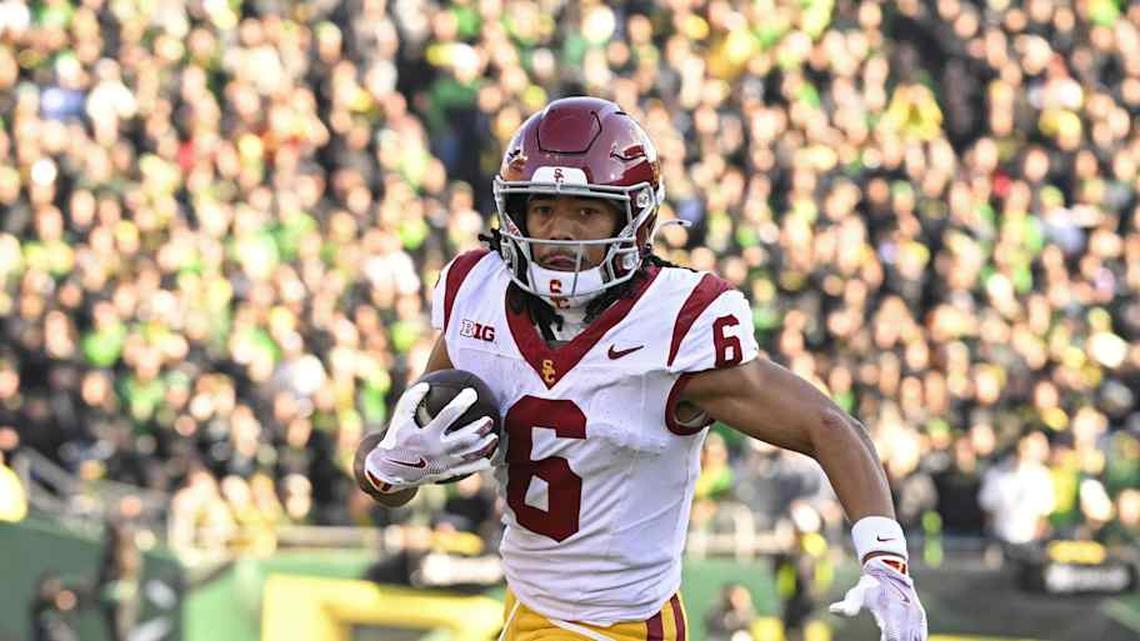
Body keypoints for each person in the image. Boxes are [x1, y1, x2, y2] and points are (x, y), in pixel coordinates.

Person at [356, 97, 927, 641]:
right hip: (529, 609)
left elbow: (828, 426)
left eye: (586, 210)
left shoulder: (674, 322)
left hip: (621, 625)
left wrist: (885, 558)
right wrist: (387, 468)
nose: (560, 231)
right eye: (544, 208)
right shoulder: (475, 294)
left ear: (635, 219)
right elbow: (391, 460)